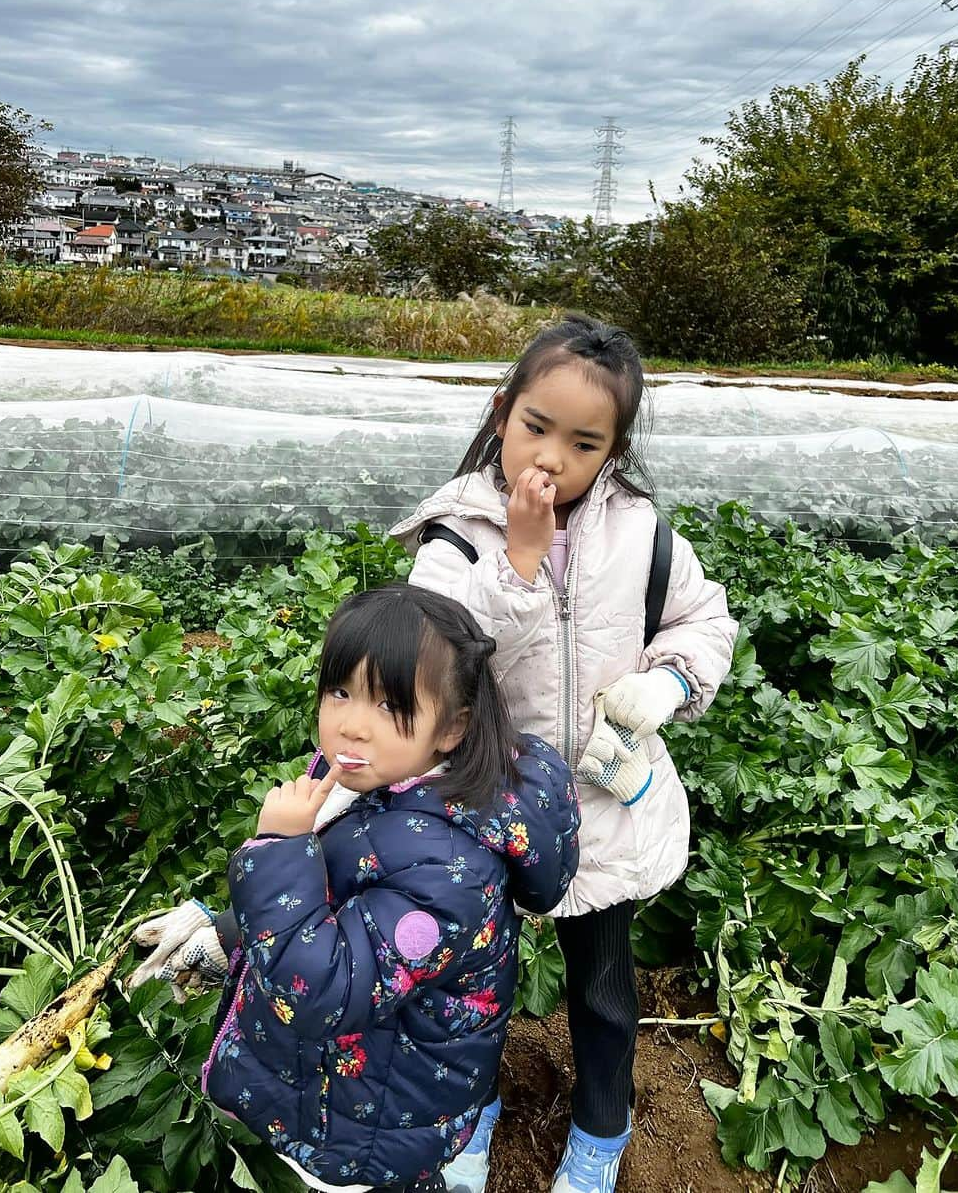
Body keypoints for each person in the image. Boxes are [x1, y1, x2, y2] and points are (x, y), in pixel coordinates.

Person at [390, 314, 738, 1193]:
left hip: (602, 810)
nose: (552, 457)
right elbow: (441, 662)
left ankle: (600, 1132)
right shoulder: (453, 540)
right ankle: (467, 1114)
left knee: (602, 993)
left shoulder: (645, 538)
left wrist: (669, 685)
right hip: (479, 810)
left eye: (584, 442)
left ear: (612, 451)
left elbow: (707, 620)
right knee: (462, 985)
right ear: (503, 414)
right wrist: (520, 562)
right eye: (536, 427)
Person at [130, 584, 580, 1193]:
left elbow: (323, 991)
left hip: (370, 1124)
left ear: (452, 729)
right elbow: (339, 902)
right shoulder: (379, 783)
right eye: (341, 691)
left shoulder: (447, 871)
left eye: (390, 706)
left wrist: (278, 854)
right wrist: (230, 935)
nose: (352, 725)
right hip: (346, 1090)